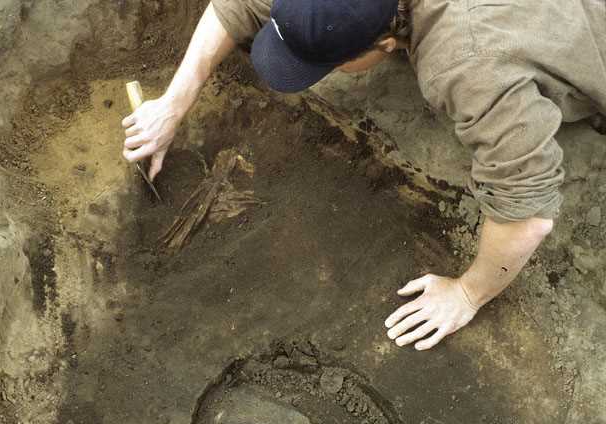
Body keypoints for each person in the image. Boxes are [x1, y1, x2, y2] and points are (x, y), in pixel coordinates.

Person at [122, 0, 606, 350]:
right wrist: (172, 104)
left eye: (329, 63)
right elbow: (239, 4)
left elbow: (529, 211)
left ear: (385, 45)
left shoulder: (466, 63)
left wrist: (467, 292)